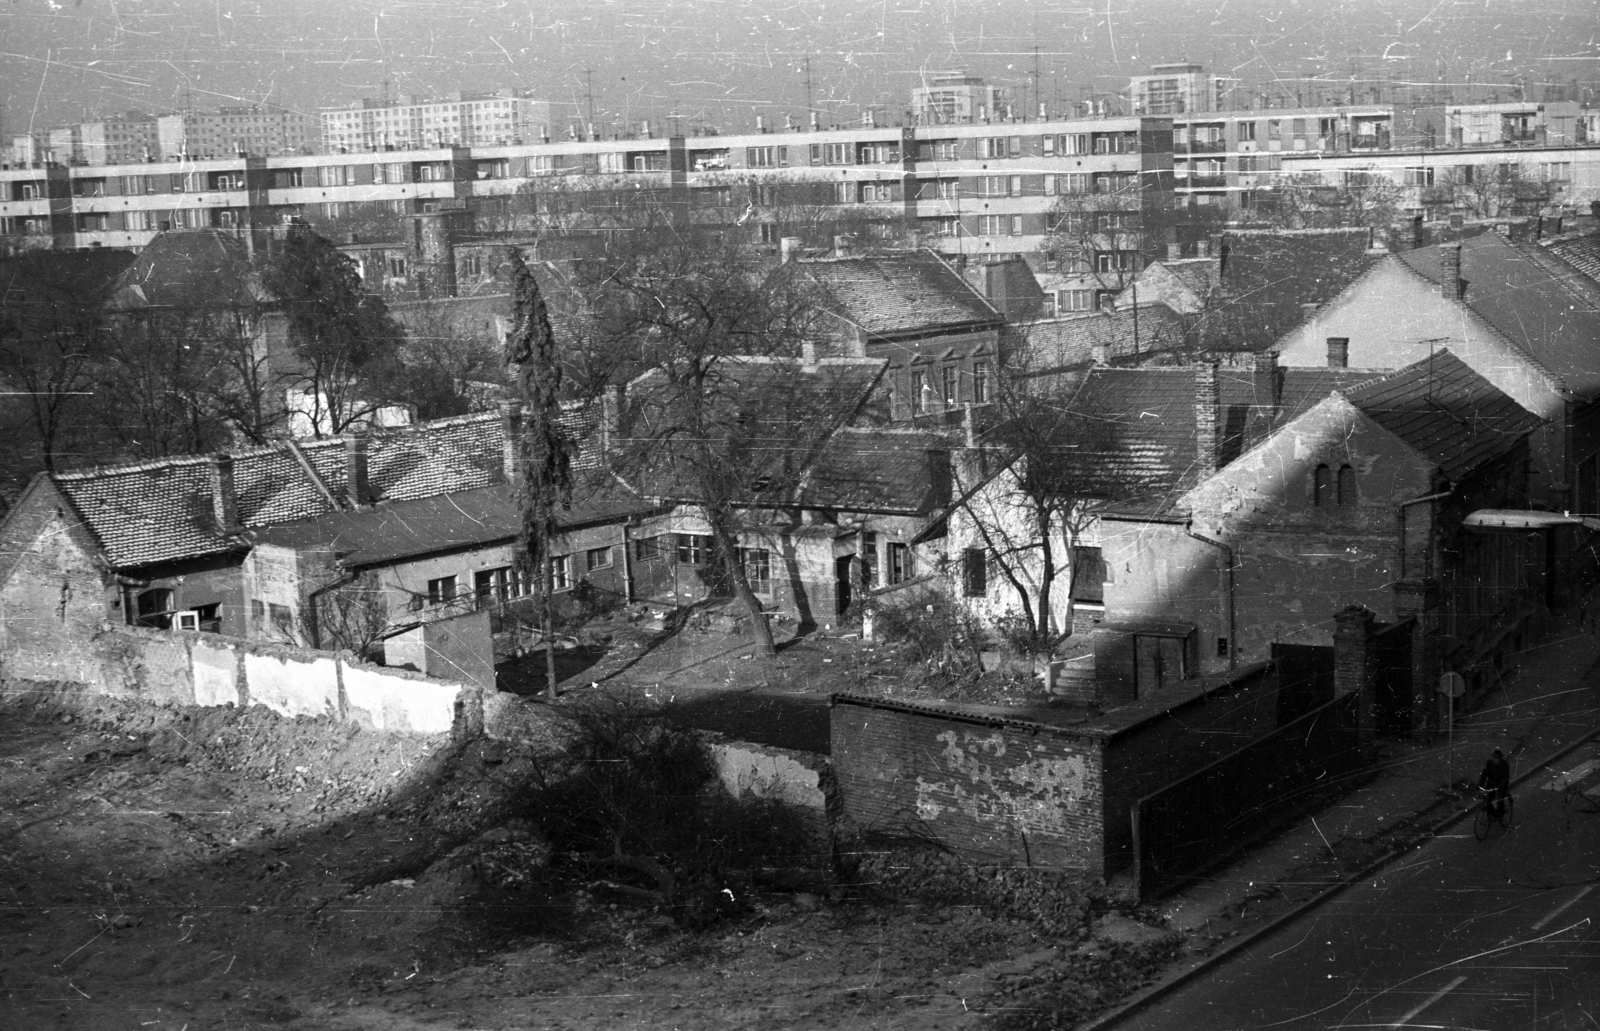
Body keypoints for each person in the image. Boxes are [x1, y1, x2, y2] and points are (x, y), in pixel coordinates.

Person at [1479, 747, 1511, 822]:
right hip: (1491, 785)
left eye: (1497, 758)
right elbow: (1484, 774)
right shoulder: (1489, 763)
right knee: (1488, 800)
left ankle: (1500, 814)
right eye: (1494, 758)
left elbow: (1506, 778)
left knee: (1499, 799)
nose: (1495, 760)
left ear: (1500, 758)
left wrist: (1501, 786)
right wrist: (1480, 784)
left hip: (1501, 785)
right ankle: (1492, 814)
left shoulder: (1505, 765)